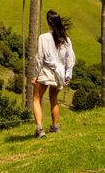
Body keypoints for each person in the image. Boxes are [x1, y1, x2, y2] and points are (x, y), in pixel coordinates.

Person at [32, 9, 75, 137]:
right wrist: (68, 75)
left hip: (46, 71)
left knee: (36, 98)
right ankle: (55, 126)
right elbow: (70, 58)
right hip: (59, 74)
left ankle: (39, 129)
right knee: (53, 99)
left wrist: (34, 75)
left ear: (48, 22)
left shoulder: (43, 37)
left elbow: (39, 58)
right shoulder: (66, 39)